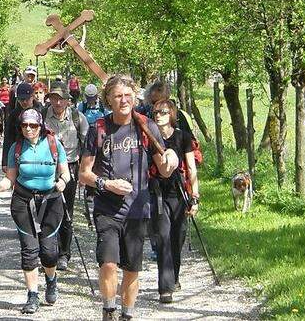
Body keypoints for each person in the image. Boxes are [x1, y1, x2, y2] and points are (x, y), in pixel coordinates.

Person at [79, 74, 179, 321]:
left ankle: (128, 314)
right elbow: (84, 174)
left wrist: (173, 159)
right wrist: (106, 183)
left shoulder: (147, 126)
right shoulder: (99, 129)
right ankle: (109, 310)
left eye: (127, 95)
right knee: (108, 263)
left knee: (132, 269)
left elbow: (164, 168)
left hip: (138, 207)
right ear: (109, 100)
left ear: (134, 96)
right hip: (107, 207)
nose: (123, 101)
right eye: (117, 96)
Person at [0, 108, 70, 314]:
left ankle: (51, 280)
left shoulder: (54, 144)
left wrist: (62, 181)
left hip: (51, 201)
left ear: (40, 126)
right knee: (29, 251)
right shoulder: (16, 148)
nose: (29, 129)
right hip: (23, 201)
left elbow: (66, 173)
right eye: (24, 125)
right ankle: (32, 295)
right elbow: (10, 179)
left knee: (49, 252)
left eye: (33, 125)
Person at [150, 99, 199, 303]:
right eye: (155, 113)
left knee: (177, 238)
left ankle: (174, 276)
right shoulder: (150, 138)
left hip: (179, 193)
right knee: (162, 238)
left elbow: (191, 167)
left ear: (171, 114)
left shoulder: (182, 137)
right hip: (157, 193)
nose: (158, 115)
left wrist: (194, 197)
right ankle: (165, 288)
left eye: (162, 112)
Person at [43, 81, 88, 271]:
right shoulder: (43, 116)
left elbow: (87, 145)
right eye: (54, 98)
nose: (58, 102)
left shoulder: (78, 118)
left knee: (66, 210)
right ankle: (47, 251)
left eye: (61, 99)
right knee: (46, 210)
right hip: (45, 167)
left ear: (68, 101)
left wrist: (84, 171)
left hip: (69, 167)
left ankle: (64, 253)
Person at [2, 82, 41, 172]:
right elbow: (8, 138)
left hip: (39, 152)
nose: (24, 102)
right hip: (19, 153)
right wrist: (5, 162)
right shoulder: (13, 115)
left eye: (27, 99)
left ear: (32, 97)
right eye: (21, 99)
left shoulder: (41, 111)